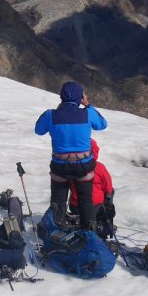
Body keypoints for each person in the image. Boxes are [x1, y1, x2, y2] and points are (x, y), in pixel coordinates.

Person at [34, 81, 107, 231]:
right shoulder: (88, 113)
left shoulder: (50, 115)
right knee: (86, 200)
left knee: (58, 201)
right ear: (80, 97)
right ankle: (90, 231)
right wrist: (87, 105)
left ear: (62, 97)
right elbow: (102, 124)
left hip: (60, 167)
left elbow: (38, 130)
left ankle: (57, 230)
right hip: (84, 166)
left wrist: (57, 111)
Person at [68, 138, 115, 239]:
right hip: (94, 207)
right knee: (110, 196)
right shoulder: (99, 167)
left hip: (75, 205)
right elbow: (108, 188)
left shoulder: (71, 165)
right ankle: (103, 229)